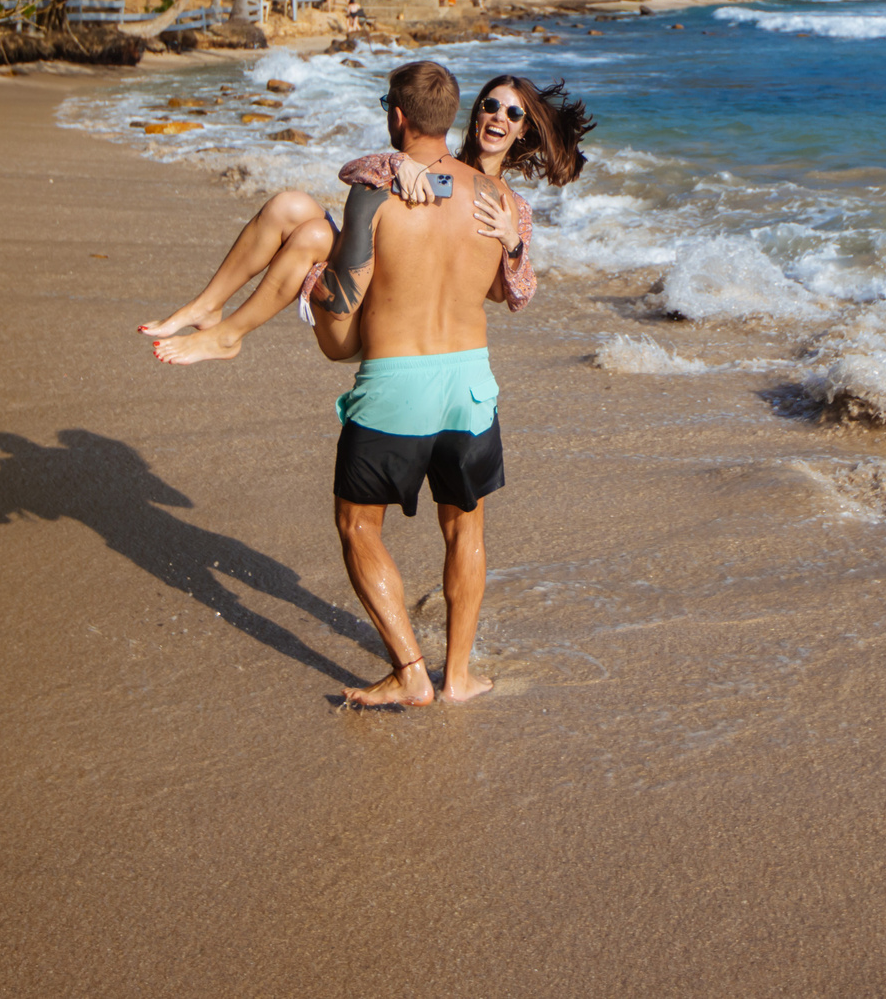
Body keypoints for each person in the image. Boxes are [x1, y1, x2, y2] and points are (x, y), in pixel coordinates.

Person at [305, 61, 515, 708]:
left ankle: (410, 671)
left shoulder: (376, 190)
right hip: (470, 385)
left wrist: (309, 279)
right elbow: (506, 288)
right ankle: (459, 677)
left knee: (358, 527)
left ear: (397, 117)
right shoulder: (498, 198)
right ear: (454, 118)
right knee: (466, 532)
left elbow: (347, 297)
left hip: (396, 385)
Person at [141, 72, 593, 363]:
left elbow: (509, 296)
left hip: (401, 332)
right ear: (475, 116)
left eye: (513, 113)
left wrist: (513, 243)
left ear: (523, 129)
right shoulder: (436, 166)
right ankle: (208, 306)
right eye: (490, 106)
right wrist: (398, 162)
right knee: (288, 205)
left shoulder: (513, 208)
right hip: (370, 292)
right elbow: (352, 172)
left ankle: (230, 335)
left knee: (314, 234)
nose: (499, 116)